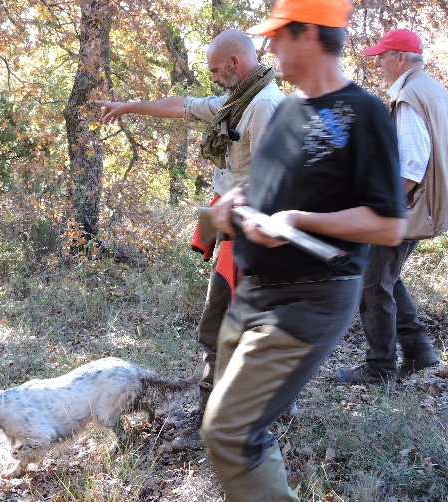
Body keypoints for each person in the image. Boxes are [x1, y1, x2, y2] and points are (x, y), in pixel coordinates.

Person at [202, 0, 407, 499]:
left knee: (231, 433)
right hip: (253, 293)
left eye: (278, 36)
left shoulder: (363, 113)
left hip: (311, 299)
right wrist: (232, 210)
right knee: (231, 428)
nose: (268, 46)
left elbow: (388, 225)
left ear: (309, 35)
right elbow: (266, 196)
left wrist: (297, 221)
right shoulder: (289, 111)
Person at [96, 29, 284, 450]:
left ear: (235, 63)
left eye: (217, 70)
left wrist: (241, 217)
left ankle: (217, 426)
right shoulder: (237, 100)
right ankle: (236, 414)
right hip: (231, 223)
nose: (214, 78)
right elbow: (181, 106)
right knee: (229, 328)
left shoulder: (267, 106)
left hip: (250, 235)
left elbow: (281, 182)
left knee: (222, 329)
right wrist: (131, 106)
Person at [336, 29, 448, 390]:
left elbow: (411, 168)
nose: (378, 64)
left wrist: (382, 210)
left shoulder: (408, 96)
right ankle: (418, 350)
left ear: (400, 58)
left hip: (407, 207)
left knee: (372, 283)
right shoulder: (434, 90)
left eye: (382, 57)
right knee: (386, 276)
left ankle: (380, 367)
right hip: (424, 206)